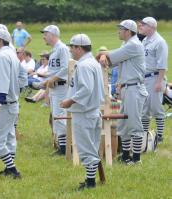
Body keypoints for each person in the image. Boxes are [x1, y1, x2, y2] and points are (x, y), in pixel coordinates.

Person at [96, 19, 148, 165]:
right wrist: (105, 57)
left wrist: (102, 53)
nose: (118, 31)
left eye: (121, 29)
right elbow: (111, 61)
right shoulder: (126, 44)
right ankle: (125, 156)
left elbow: (109, 55)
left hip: (134, 88)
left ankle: (136, 159)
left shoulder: (134, 44)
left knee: (134, 124)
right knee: (123, 124)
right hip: (126, 88)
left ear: (128, 31)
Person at [61, 33, 104, 191]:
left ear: (79, 48)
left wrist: (70, 100)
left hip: (84, 112)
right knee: (91, 147)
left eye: (72, 47)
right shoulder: (92, 62)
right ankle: (90, 180)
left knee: (86, 148)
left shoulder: (85, 65)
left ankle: (90, 183)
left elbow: (86, 89)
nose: (71, 50)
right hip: (91, 111)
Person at [0, 28, 21, 179]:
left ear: (0, 41)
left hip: (5, 104)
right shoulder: (12, 54)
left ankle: (13, 170)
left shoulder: (2, 56)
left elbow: (3, 79)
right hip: (12, 102)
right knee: (9, 138)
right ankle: (9, 169)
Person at [40, 25, 70, 155]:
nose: (43, 37)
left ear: (52, 34)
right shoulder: (54, 50)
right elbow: (54, 70)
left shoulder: (62, 48)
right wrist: (47, 80)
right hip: (55, 88)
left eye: (45, 34)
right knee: (56, 117)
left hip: (62, 87)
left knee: (61, 117)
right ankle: (61, 146)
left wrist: (52, 79)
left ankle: (65, 149)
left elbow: (66, 68)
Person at [139, 17, 169, 143]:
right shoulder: (145, 40)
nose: (141, 27)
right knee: (144, 108)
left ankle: (160, 136)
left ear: (151, 27)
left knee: (156, 108)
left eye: (143, 25)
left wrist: (159, 82)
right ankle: (146, 135)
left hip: (155, 77)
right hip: (144, 78)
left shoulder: (159, 42)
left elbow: (162, 64)